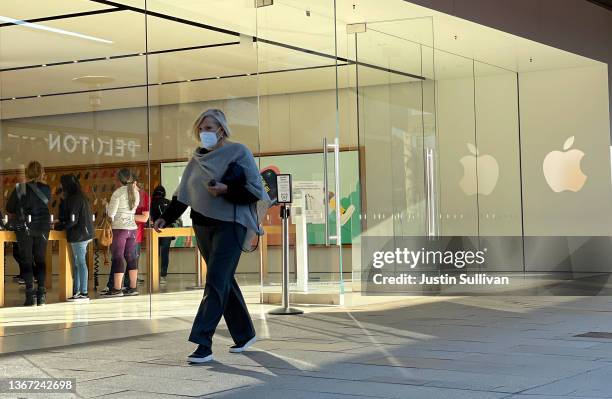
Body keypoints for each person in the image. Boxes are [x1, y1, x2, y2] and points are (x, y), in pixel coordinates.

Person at [154, 109, 270, 364]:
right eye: (202, 128)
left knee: (216, 279)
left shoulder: (239, 151)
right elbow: (184, 194)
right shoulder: (196, 159)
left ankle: (203, 342)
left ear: (222, 129)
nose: (205, 132)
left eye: (210, 127)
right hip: (203, 225)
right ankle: (245, 334)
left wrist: (226, 189)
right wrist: (166, 216)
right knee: (223, 278)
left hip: (231, 223)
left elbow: (254, 192)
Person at [6, 161, 51, 306]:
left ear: (28, 172)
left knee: (26, 260)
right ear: (41, 172)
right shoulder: (46, 188)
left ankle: (30, 295)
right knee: (40, 260)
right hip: (43, 227)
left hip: (25, 228)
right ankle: (42, 294)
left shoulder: (20, 188)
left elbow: (10, 207)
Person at [56, 175, 94, 302]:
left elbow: (72, 220)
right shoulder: (80, 197)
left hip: (79, 235)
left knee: (80, 262)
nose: (60, 187)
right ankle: (77, 291)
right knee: (78, 263)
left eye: (62, 185)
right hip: (84, 234)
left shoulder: (74, 199)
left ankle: (83, 292)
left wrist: (59, 226)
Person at [102, 168, 140, 297]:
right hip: (132, 229)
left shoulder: (117, 193)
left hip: (120, 229)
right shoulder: (136, 192)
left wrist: (107, 206)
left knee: (118, 257)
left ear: (119, 180)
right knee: (131, 257)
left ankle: (117, 289)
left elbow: (111, 214)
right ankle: (133, 287)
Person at [151, 185, 174, 285]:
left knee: (155, 253)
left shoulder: (152, 203)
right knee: (165, 253)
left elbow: (151, 218)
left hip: (155, 230)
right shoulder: (168, 202)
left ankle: (154, 274)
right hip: (167, 230)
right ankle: (163, 276)